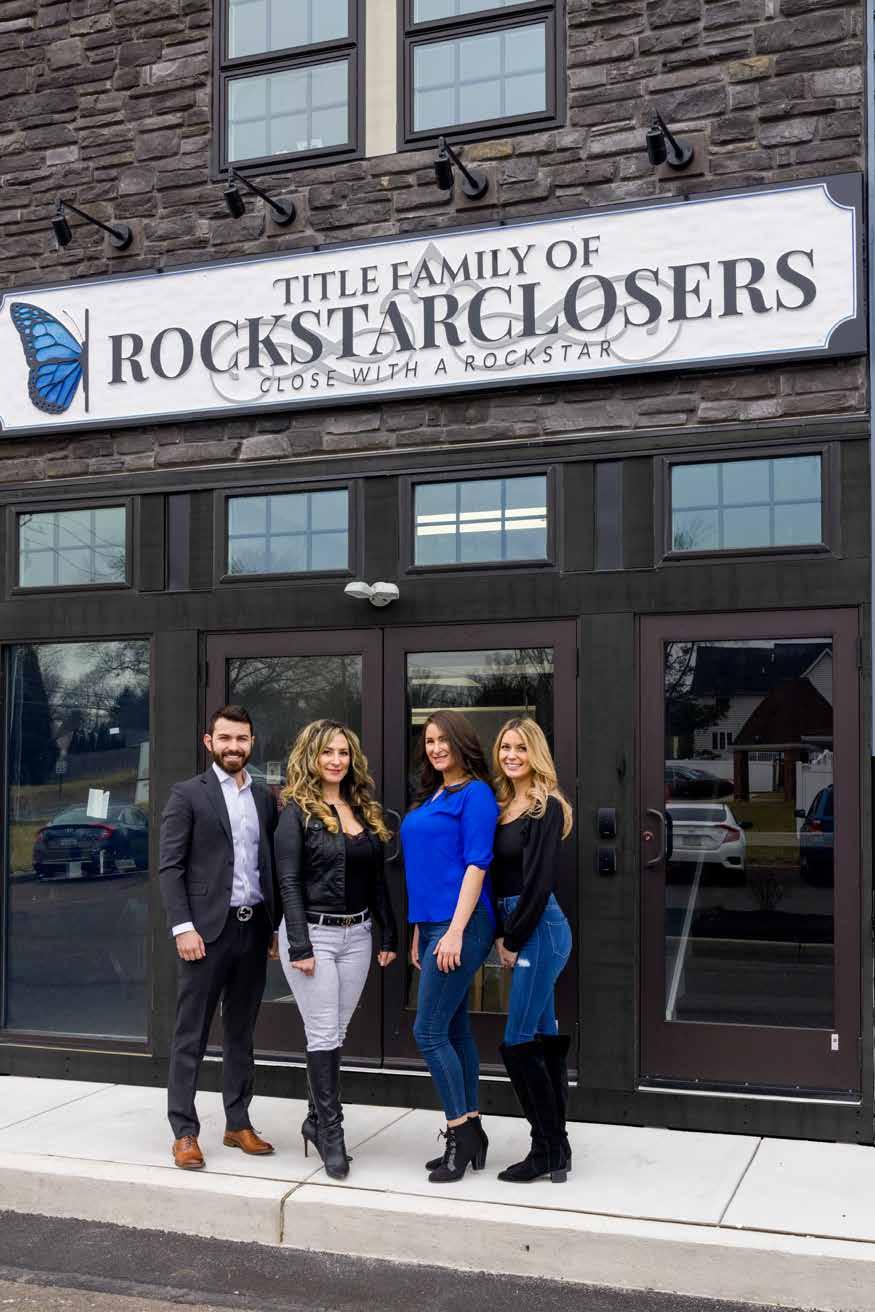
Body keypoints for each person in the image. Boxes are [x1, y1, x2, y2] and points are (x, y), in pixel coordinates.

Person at [159, 705, 280, 1170]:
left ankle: (238, 1123)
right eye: (225, 738)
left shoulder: (264, 798)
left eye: (242, 739)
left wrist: (273, 926)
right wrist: (183, 927)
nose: (234, 746)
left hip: (253, 929)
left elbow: (267, 866)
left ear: (252, 743)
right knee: (190, 1033)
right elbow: (170, 867)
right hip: (205, 933)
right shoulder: (188, 794)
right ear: (209, 742)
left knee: (241, 1032)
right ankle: (184, 1131)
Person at [275, 720, 397, 1180]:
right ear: (311, 756)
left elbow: (376, 879)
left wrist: (388, 933)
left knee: (335, 1031)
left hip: (357, 935)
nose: (336, 760)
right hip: (313, 935)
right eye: (327, 752)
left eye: (343, 752)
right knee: (324, 1033)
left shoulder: (362, 809)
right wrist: (299, 944)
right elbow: (288, 881)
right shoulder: (296, 812)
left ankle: (314, 1119)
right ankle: (332, 1132)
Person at [401, 709, 499, 1183]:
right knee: (455, 1029)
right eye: (429, 741)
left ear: (462, 743)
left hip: (463, 923)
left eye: (444, 740)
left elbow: (477, 865)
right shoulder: (435, 794)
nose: (436, 748)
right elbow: (427, 869)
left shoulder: (476, 794)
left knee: (428, 1032)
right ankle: (474, 1129)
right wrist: (419, 930)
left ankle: (458, 1134)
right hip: (433, 923)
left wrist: (455, 931)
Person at [491, 716, 573, 1184]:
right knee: (543, 1035)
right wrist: (501, 931)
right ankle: (559, 1146)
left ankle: (544, 1149)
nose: (511, 755)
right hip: (520, 925)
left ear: (535, 753)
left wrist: (512, 938)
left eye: (521, 747)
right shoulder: (502, 804)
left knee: (518, 1041)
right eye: (505, 747)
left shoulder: (547, 807)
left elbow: (539, 883)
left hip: (539, 929)